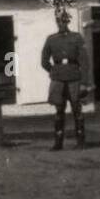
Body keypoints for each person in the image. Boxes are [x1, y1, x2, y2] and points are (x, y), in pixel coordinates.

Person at [40, 10, 89, 150]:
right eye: (59, 21)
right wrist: (54, 71)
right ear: (56, 22)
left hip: (74, 77)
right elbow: (44, 61)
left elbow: (84, 61)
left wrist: (84, 82)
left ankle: (80, 142)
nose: (62, 24)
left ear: (68, 21)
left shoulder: (77, 37)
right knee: (59, 109)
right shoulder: (51, 39)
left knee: (77, 109)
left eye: (64, 21)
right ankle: (58, 143)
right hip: (59, 80)